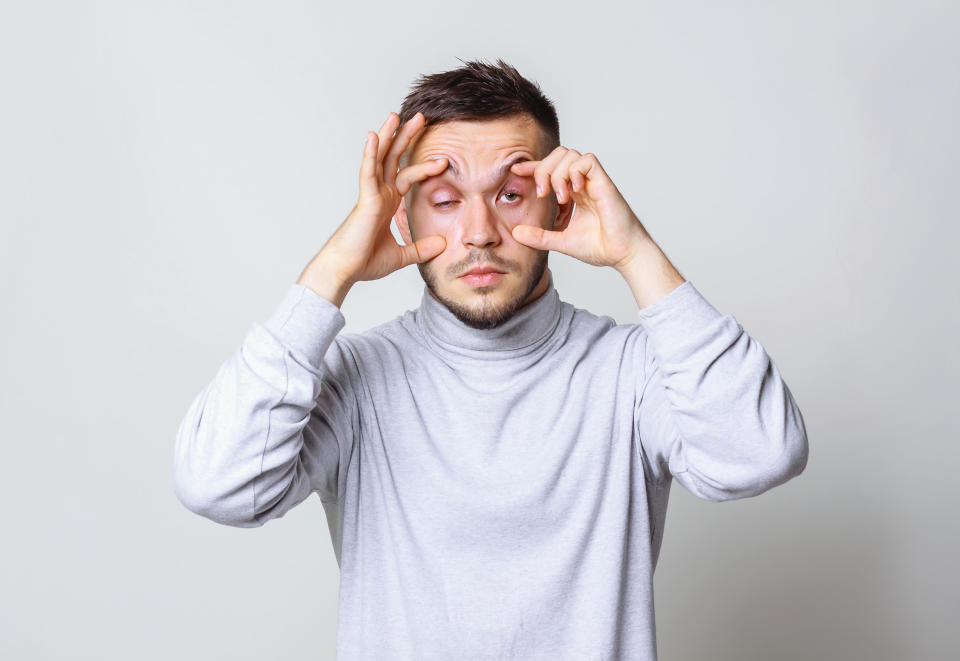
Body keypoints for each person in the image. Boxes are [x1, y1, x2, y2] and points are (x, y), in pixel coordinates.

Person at [173, 58, 809, 661]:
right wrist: (329, 274)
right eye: (445, 200)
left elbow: (757, 455)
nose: (479, 232)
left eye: (510, 194)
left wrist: (635, 252)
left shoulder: (635, 373)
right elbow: (219, 485)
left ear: (560, 203)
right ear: (402, 218)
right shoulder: (354, 380)